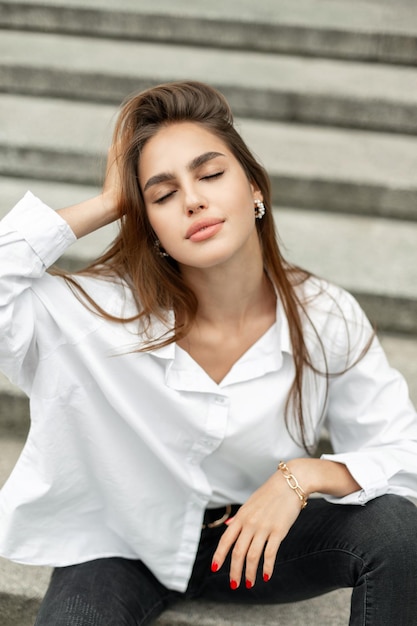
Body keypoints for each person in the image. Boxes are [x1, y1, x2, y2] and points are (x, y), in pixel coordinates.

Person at [0, 81, 416, 626]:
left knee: (397, 532)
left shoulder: (325, 315)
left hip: (254, 543)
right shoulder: (94, 313)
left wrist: (304, 477)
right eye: (162, 194)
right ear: (148, 226)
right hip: (119, 548)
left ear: (255, 189)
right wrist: (107, 203)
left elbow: (404, 453)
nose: (193, 199)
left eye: (211, 174)